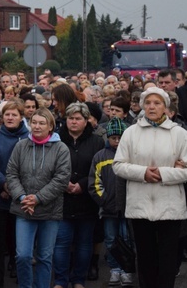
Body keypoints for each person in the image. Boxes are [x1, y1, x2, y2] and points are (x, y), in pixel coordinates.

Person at [113, 87, 187, 288]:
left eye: (157, 103)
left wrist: (163, 173)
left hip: (170, 206)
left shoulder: (179, 134)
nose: (152, 106)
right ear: (142, 106)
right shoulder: (131, 132)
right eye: (148, 102)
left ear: (166, 107)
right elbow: (118, 165)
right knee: (145, 258)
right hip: (140, 205)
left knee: (168, 259)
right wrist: (143, 173)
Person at [6, 108, 71, 288]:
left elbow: (61, 178)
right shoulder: (21, 146)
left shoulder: (61, 149)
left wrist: (38, 198)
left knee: (44, 257)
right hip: (24, 209)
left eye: (42, 123)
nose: (37, 126)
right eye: (34, 122)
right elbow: (11, 173)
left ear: (50, 126)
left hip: (49, 211)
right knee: (23, 255)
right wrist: (22, 197)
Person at [53, 102, 105, 288]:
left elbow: (98, 169)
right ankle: (60, 280)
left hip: (87, 199)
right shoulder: (57, 140)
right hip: (62, 198)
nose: (73, 122)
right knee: (62, 243)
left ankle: (78, 280)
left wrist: (82, 185)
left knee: (84, 243)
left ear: (86, 121)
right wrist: (64, 183)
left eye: (77, 119)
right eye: (70, 118)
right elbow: (51, 166)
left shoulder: (97, 141)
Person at [0, 100, 30, 288]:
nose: (10, 118)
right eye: (7, 115)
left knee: (17, 240)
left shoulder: (29, 137)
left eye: (14, 114)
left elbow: (30, 167)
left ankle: (17, 270)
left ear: (21, 117)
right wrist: (4, 185)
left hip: (20, 198)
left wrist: (14, 189)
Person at [88, 117, 132, 287]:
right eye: (114, 138)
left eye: (121, 138)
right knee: (110, 238)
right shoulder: (100, 156)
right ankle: (114, 269)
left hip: (128, 206)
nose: (117, 141)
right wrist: (103, 200)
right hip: (108, 208)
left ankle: (127, 269)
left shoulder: (130, 155)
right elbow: (94, 182)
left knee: (127, 238)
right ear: (108, 138)